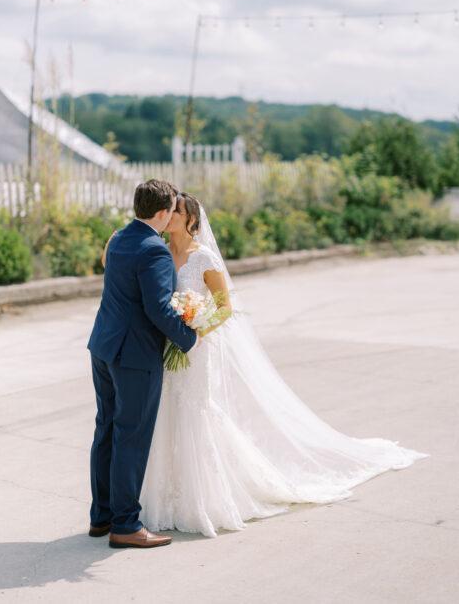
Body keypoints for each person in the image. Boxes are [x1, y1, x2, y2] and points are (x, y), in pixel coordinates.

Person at [137, 192, 430, 538]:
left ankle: (201, 498)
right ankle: (165, 498)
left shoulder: (203, 258)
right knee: (167, 414)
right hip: (168, 349)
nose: (170, 217)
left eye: (178, 212)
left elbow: (224, 307)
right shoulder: (158, 251)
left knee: (194, 413)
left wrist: (198, 330)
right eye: (169, 211)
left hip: (198, 349)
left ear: (191, 220)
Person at [87, 179, 200, 549]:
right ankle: (125, 525)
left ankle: (101, 517)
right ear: (164, 212)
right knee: (131, 437)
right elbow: (158, 308)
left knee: (106, 430)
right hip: (134, 356)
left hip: (103, 348)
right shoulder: (154, 250)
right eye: (172, 211)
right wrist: (188, 339)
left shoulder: (119, 237)